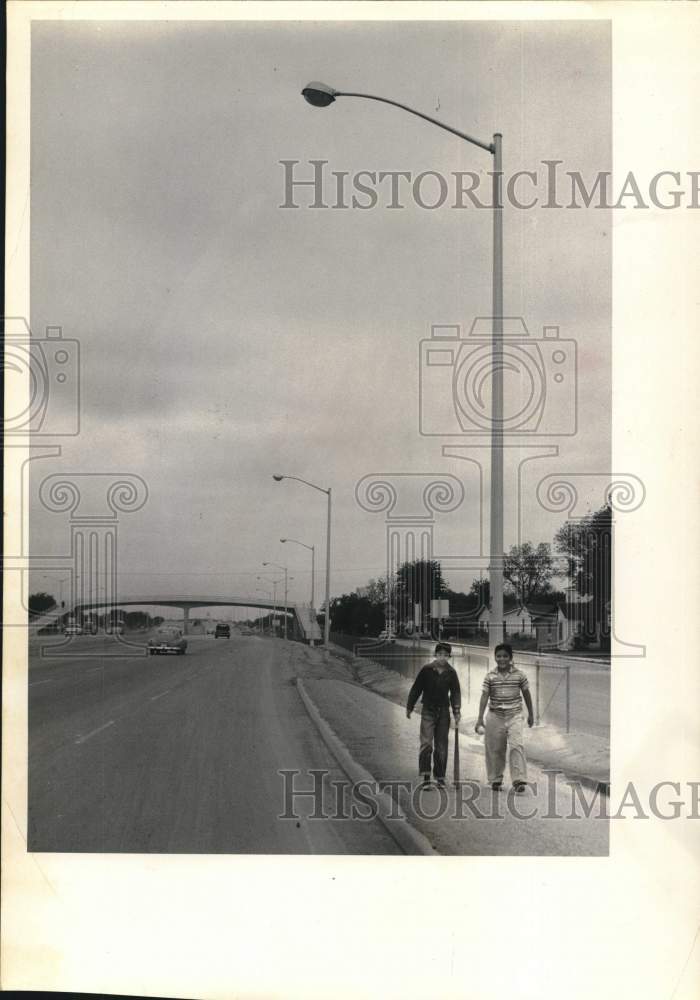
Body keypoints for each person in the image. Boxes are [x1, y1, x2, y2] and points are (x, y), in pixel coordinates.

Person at [475, 642, 534, 793]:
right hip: (495, 716)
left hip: (514, 715)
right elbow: (484, 696)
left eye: (505, 656)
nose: (502, 659)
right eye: (499, 656)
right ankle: (495, 779)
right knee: (496, 748)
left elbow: (526, 694)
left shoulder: (519, 675)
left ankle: (519, 780)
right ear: (495, 657)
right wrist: (480, 718)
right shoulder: (490, 676)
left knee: (516, 745)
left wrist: (531, 714)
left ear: (511, 657)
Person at [406, 641, 461, 788]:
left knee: (441, 746)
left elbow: (455, 693)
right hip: (428, 711)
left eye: (445, 655)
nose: (442, 657)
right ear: (435, 654)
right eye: (440, 654)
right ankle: (426, 777)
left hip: (443, 712)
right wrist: (410, 706)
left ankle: (440, 777)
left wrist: (456, 710)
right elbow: (416, 688)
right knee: (426, 743)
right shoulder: (427, 670)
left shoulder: (451, 672)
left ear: (449, 657)